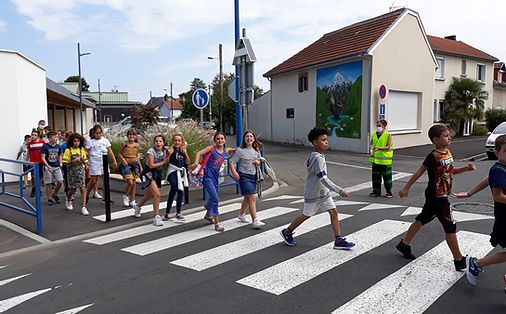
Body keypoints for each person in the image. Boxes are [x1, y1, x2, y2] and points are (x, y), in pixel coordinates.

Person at [397, 124, 475, 271]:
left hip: (441, 194)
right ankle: (458, 259)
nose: (449, 137)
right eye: (446, 136)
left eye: (448, 135)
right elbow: (419, 172)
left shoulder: (448, 152)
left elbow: (450, 172)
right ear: (435, 140)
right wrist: (406, 187)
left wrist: (464, 168)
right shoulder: (432, 156)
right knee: (450, 226)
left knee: (423, 218)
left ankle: (404, 244)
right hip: (437, 196)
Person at [280, 127, 355, 249]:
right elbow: (323, 178)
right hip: (314, 194)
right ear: (315, 142)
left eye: (326, 140)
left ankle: (338, 240)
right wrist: (339, 190)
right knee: (306, 215)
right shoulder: (317, 158)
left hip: (323, 193)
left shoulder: (317, 156)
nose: (326, 142)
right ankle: (287, 231)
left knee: (333, 212)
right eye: (323, 140)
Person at [453, 135, 506, 286]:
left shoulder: (503, 168)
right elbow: (498, 196)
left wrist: (469, 193)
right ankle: (476, 264)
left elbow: (487, 179)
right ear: (497, 152)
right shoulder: (498, 170)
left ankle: (476, 264)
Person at [191, 132, 236, 232]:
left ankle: (207, 215)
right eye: (218, 139)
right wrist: (196, 162)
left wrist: (240, 149)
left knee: (213, 197)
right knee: (215, 198)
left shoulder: (225, 150)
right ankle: (217, 223)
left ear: (225, 140)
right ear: (215, 141)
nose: (220, 140)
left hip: (216, 177)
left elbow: (233, 150)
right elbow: (199, 153)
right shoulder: (211, 148)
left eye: (222, 139)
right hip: (207, 176)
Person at [230, 130, 265, 229]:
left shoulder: (256, 151)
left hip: (253, 176)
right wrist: (234, 172)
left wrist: (258, 162)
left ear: (254, 139)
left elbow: (259, 160)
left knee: (247, 197)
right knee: (252, 197)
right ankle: (255, 220)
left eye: (251, 137)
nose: (249, 138)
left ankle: (241, 215)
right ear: (244, 139)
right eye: (247, 137)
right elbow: (232, 162)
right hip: (244, 176)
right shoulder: (240, 151)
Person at [132, 135, 169, 225]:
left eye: (160, 141)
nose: (158, 143)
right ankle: (156, 217)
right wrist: (163, 162)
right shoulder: (151, 151)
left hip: (157, 173)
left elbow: (168, 157)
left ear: (163, 143)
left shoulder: (165, 150)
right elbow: (151, 165)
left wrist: (169, 153)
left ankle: (138, 206)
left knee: (149, 194)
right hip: (148, 172)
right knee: (157, 194)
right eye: (156, 141)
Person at [85, 125, 117, 202]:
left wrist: (114, 160)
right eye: (96, 133)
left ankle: (106, 197)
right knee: (93, 180)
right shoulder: (91, 142)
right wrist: (87, 158)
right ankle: (86, 194)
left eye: (99, 133)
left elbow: (110, 150)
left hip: (103, 161)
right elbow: (86, 151)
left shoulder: (105, 140)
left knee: (106, 180)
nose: (98, 135)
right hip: (94, 161)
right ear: (94, 133)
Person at [164, 133, 190, 221]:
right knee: (175, 187)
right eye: (175, 140)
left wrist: (185, 153)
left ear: (182, 142)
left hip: (180, 173)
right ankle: (167, 212)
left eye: (179, 140)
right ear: (173, 141)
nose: (177, 142)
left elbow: (187, 162)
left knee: (180, 191)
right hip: (172, 171)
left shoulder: (183, 150)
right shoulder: (171, 150)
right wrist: (168, 154)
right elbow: (166, 161)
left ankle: (178, 212)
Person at [62, 133, 89, 215]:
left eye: (78, 141)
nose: (76, 143)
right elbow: (64, 163)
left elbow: (85, 159)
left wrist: (86, 165)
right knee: (72, 189)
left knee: (82, 188)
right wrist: (73, 161)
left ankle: (83, 207)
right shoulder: (68, 150)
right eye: (75, 141)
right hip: (72, 172)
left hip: (80, 171)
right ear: (71, 142)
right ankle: (68, 199)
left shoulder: (81, 150)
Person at [369, 119, 394, 198]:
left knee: (387, 178)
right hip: (376, 160)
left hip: (385, 161)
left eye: (379, 126)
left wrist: (378, 148)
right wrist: (371, 147)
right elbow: (371, 144)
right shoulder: (374, 135)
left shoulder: (388, 135)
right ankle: (376, 191)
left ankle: (389, 192)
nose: (378, 127)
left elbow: (388, 147)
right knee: (375, 177)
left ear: (384, 126)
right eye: (377, 126)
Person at [118, 128, 143, 207]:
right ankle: (125, 195)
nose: (131, 136)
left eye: (133, 135)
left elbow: (137, 156)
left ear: (135, 136)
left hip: (134, 164)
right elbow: (119, 154)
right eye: (130, 135)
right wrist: (123, 160)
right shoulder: (124, 144)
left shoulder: (137, 145)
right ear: (127, 136)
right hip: (126, 164)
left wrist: (140, 167)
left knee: (134, 183)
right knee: (130, 182)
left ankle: (132, 200)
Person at [40, 131, 64, 205]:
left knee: (60, 181)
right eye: (54, 137)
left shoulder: (58, 146)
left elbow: (60, 155)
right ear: (49, 138)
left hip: (56, 166)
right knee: (48, 183)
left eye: (57, 137)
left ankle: (55, 194)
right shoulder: (45, 146)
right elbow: (42, 157)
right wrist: (47, 166)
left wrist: (60, 163)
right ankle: (49, 198)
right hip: (48, 166)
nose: (56, 138)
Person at [27, 129, 45, 198]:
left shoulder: (42, 142)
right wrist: (27, 161)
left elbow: (44, 152)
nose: (33, 136)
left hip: (40, 162)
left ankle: (38, 189)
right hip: (33, 163)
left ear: (38, 136)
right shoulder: (30, 144)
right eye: (32, 135)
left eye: (35, 135)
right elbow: (29, 152)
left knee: (40, 177)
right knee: (33, 176)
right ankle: (33, 188)